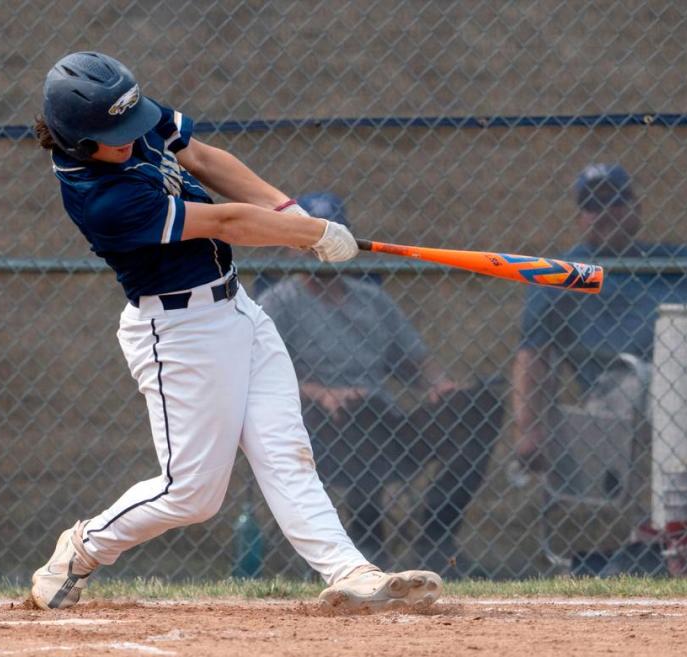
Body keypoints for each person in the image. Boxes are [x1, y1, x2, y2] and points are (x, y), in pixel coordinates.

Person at [29, 51, 441, 611]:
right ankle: (81, 549)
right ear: (78, 142)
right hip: (179, 332)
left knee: (286, 451)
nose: (131, 136)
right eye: (115, 135)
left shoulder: (126, 117)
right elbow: (224, 221)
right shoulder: (103, 199)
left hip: (238, 308)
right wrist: (309, 234)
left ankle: (350, 571)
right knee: (192, 494)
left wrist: (286, 206)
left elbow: (200, 156)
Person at [258, 192, 504, 576]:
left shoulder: (371, 299)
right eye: (310, 240)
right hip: (323, 430)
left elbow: (415, 363)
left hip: (387, 426)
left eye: (327, 239)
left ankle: (435, 537)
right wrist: (323, 393)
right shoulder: (279, 303)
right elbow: (261, 376)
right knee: (361, 411)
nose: (318, 250)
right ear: (294, 244)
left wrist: (438, 385)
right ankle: (366, 542)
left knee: (481, 403)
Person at [512, 163, 687, 485]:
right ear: (580, 217)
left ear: (637, 207)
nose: (605, 211)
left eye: (616, 200)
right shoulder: (564, 272)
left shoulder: (678, 260)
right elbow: (532, 355)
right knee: (670, 389)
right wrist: (529, 429)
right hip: (621, 388)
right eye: (592, 205)